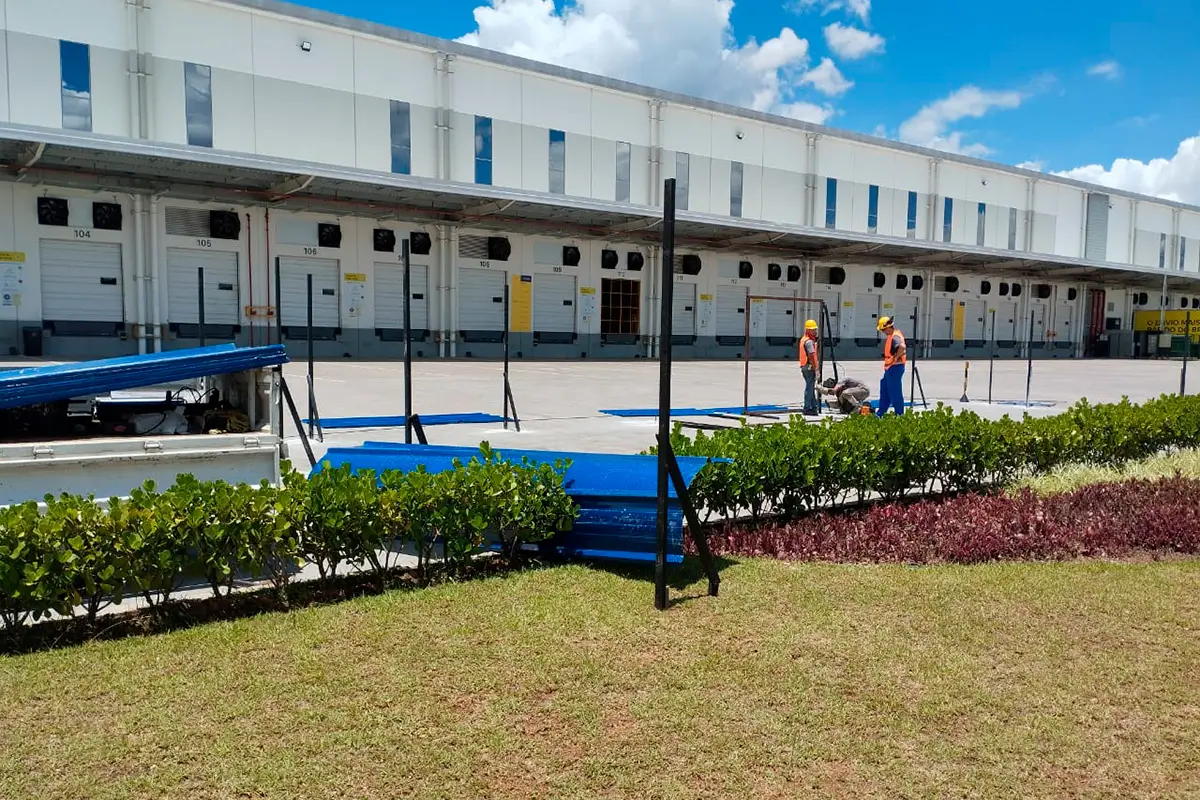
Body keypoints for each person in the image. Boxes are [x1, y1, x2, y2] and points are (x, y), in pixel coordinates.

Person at [876, 315, 907, 417]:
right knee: (885, 390)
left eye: (883, 330)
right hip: (890, 368)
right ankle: (880, 414)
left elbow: (902, 347)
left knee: (895, 392)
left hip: (895, 368)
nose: (883, 332)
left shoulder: (895, 336)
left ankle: (899, 415)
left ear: (888, 327)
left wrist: (896, 357)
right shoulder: (892, 335)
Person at [797, 319, 820, 415]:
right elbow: (811, 356)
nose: (815, 331)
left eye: (815, 329)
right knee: (809, 388)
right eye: (813, 330)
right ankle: (807, 408)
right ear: (808, 330)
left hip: (804, 366)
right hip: (809, 367)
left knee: (810, 387)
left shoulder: (804, 339)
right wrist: (816, 369)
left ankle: (814, 407)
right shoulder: (809, 342)